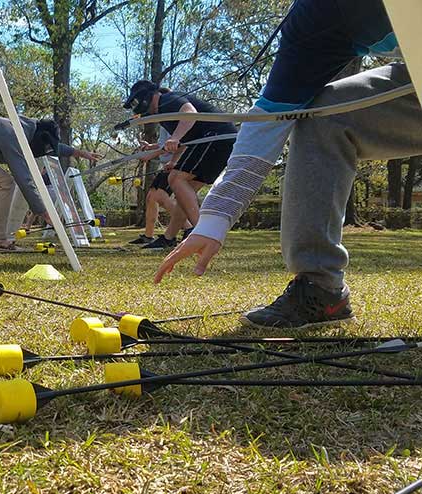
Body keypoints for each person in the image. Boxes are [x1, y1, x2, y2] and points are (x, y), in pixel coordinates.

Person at [156, 0, 419, 329]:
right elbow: (268, 119)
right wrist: (213, 219)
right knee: (323, 115)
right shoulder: (314, 19)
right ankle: (321, 291)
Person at [0, 116, 100, 250]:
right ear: (40, 138)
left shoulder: (26, 128)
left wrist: (79, 153)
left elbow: (53, 146)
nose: (44, 151)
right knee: (6, 183)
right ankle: (1, 241)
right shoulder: (13, 135)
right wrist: (43, 211)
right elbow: (23, 177)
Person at [123, 81, 237, 250]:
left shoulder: (167, 100)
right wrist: (168, 157)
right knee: (183, 191)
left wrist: (174, 138)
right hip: (214, 140)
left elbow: (189, 112)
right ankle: (169, 238)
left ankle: (205, 234)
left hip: (216, 137)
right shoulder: (164, 113)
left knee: (176, 179)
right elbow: (183, 140)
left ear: (146, 97)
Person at [128, 128, 192, 248]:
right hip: (168, 165)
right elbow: (166, 143)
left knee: (160, 196)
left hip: (177, 164)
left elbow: (180, 143)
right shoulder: (165, 124)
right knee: (151, 197)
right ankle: (148, 236)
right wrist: (150, 147)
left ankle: (188, 228)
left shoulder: (174, 119)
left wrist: (150, 156)